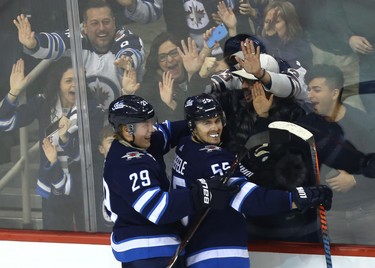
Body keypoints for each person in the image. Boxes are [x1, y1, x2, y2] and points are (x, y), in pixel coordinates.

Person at [171, 93, 333, 267]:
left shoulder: (186, 147)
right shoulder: (212, 159)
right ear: (191, 125)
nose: (215, 128)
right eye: (206, 123)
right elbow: (249, 199)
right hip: (219, 253)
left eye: (217, 121)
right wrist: (299, 197)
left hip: (199, 250)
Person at [103, 94, 237, 267]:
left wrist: (201, 120)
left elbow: (170, 132)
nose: (152, 129)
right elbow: (158, 208)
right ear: (127, 130)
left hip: (150, 249)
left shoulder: (138, 142)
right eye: (145, 124)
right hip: (148, 252)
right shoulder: (129, 164)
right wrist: (200, 194)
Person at [0, 57, 104, 231]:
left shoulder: (93, 109)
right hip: (53, 187)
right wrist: (14, 93)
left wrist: (65, 139)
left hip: (85, 187)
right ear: (58, 83)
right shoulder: (43, 102)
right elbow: (5, 122)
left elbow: (89, 153)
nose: (75, 86)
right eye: (69, 81)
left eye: (79, 80)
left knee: (90, 241)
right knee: (56, 242)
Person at [13, 0, 145, 110]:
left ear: (114, 22)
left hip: (122, 119)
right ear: (85, 26)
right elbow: (56, 41)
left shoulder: (128, 38)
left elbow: (131, 52)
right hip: (86, 125)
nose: (101, 28)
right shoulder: (78, 37)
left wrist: (127, 61)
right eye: (94, 23)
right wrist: (34, 43)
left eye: (106, 21)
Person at [298, 64, 375, 244]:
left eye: (316, 89)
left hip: (366, 213)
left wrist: (355, 180)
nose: (310, 95)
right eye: (309, 89)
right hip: (330, 215)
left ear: (334, 93)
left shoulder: (364, 123)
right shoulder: (304, 127)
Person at [259, 0, 313, 70]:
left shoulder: (301, 47)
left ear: (288, 24)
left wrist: (274, 39)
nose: (270, 26)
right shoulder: (259, 44)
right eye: (267, 21)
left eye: (276, 21)